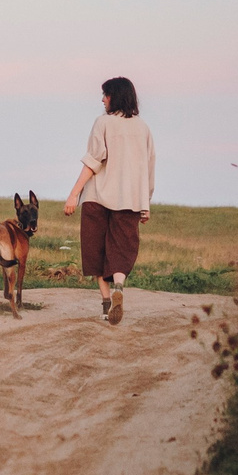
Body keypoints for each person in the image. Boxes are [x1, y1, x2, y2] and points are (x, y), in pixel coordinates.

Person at [62, 75, 154, 324]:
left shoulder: (102, 123)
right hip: (131, 199)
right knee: (121, 250)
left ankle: (105, 305)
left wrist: (74, 194)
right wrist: (145, 204)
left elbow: (94, 160)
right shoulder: (143, 127)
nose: (103, 100)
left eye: (106, 94)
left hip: (98, 197)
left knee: (96, 252)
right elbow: (148, 167)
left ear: (116, 95)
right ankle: (119, 289)